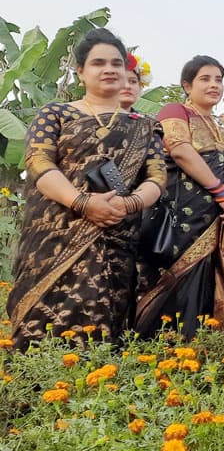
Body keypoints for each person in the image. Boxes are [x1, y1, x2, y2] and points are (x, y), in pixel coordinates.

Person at [6, 28, 166, 349]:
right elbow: (39, 163)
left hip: (117, 239)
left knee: (107, 330)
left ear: (126, 71)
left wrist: (130, 204)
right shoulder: (56, 114)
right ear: (80, 72)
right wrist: (81, 201)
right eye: (98, 63)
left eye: (116, 63)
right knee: (42, 331)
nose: (109, 69)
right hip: (56, 238)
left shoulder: (146, 125)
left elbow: (156, 179)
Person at [135, 55, 224, 338]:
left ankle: (197, 356)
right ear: (187, 85)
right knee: (171, 291)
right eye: (205, 79)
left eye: (218, 80)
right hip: (179, 223)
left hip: (213, 223)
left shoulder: (218, 124)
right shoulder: (175, 111)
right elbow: (178, 149)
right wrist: (221, 192)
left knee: (203, 293)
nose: (214, 85)